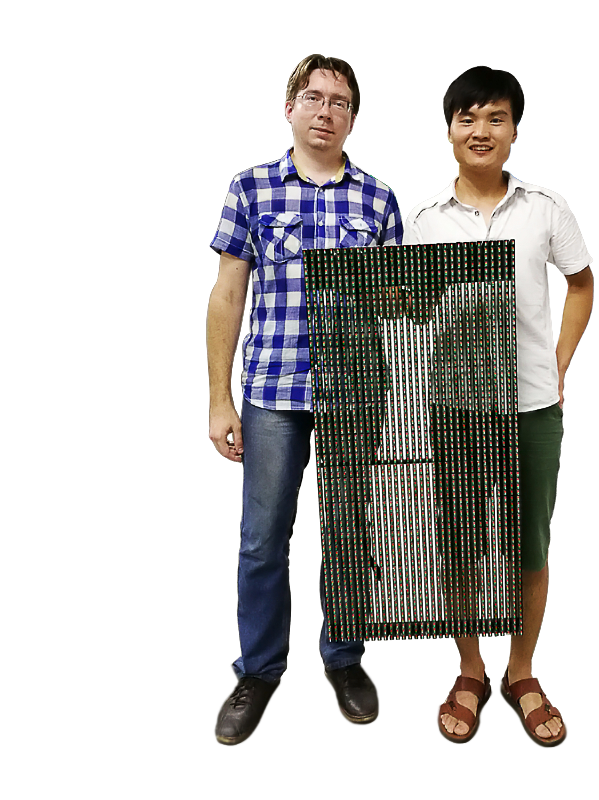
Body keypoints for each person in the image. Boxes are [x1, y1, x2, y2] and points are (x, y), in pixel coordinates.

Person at [207, 54, 403, 748]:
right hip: (272, 392)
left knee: (351, 533)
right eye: (314, 97)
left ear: (353, 118)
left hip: (356, 395)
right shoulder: (251, 188)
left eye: (340, 102)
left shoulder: (378, 200)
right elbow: (228, 295)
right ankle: (258, 672)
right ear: (289, 107)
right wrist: (219, 401)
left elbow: (393, 304)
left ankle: (344, 658)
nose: (326, 111)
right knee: (263, 539)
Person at [403, 65, 594, 748]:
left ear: (514, 131)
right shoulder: (422, 220)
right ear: (449, 131)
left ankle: (521, 671)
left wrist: (560, 362)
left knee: (530, 546)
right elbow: (414, 308)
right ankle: (471, 670)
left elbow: (582, 283)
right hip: (455, 406)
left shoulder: (547, 207)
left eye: (496, 117)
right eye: (468, 118)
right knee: (458, 545)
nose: (481, 130)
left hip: (531, 407)